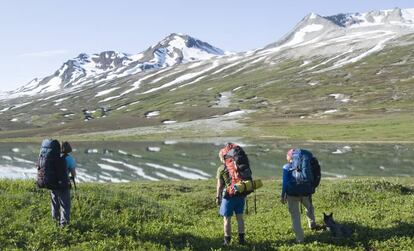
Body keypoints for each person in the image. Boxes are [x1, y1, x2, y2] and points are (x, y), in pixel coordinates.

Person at [280, 148, 317, 243]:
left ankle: (300, 239)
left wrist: (283, 194)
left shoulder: (286, 167)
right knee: (309, 207)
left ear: (290, 157)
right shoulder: (305, 166)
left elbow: (285, 183)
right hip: (305, 192)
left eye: (287, 155)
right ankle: (312, 225)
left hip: (292, 194)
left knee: (295, 216)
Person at [216, 146, 246, 246]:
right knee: (240, 218)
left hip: (228, 196)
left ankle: (227, 241)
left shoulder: (221, 168)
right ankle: (241, 241)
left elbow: (220, 185)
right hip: (240, 195)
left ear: (223, 157)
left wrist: (218, 197)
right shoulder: (238, 165)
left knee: (227, 219)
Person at [50, 141, 77, 227]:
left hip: (53, 184)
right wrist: (71, 177)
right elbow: (73, 174)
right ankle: (64, 225)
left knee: (55, 204)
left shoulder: (53, 157)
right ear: (69, 148)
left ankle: (55, 223)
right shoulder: (69, 159)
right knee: (65, 205)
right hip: (64, 185)